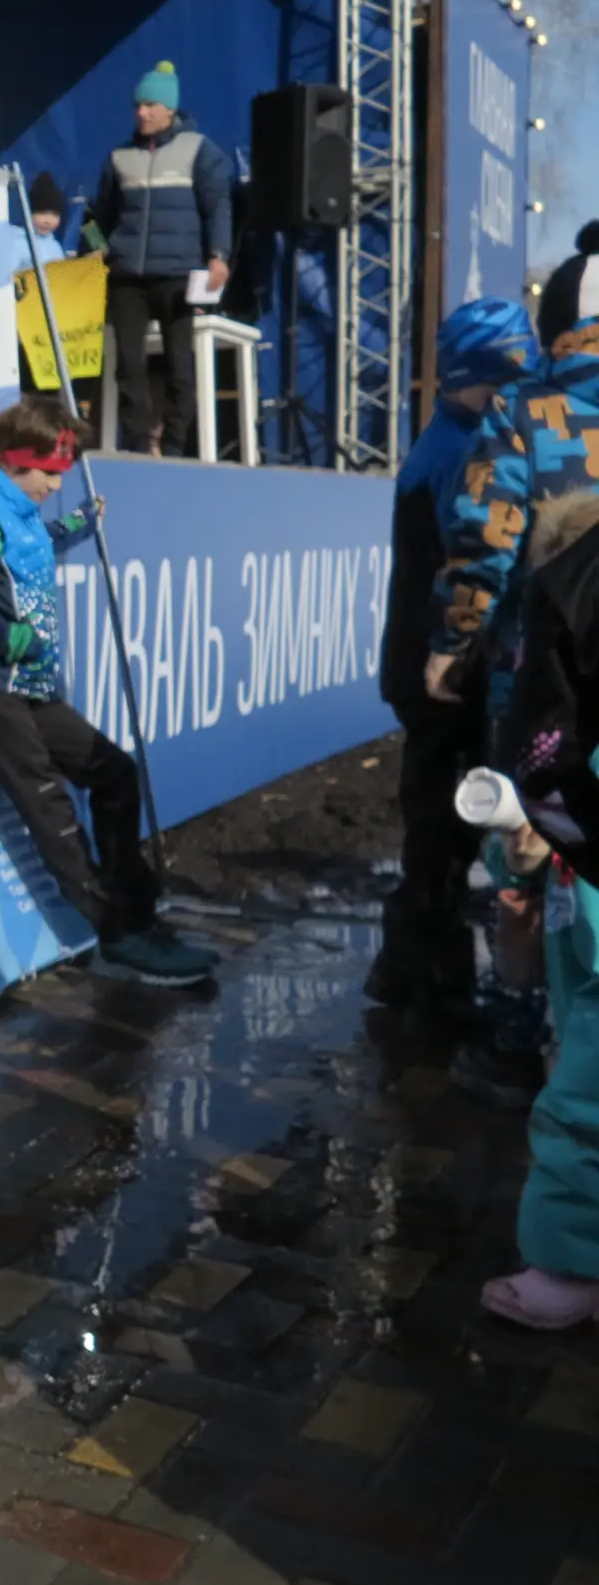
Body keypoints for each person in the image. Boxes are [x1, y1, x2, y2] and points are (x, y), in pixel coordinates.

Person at [0, 395, 217, 987]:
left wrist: (75, 526)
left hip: (23, 681)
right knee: (47, 800)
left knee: (115, 772)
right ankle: (117, 934)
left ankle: (137, 908)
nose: (54, 486)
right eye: (49, 474)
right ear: (18, 460)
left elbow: (25, 549)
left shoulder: (16, 509)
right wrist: (11, 638)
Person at [429, 230, 599, 1102]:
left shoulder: (524, 411)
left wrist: (451, 644)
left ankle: (517, 1036)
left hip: (543, 682)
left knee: (525, 850)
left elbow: (485, 540)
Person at [367, 297, 539, 1015]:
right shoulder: (460, 451)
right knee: (440, 830)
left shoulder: (466, 434)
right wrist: (454, 652)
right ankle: (420, 983)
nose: (515, 394)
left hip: (445, 659)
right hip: (439, 668)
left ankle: (427, 970)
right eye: (504, 380)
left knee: (448, 828)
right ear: (471, 377)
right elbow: (472, 564)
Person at [483, 495, 599, 1326]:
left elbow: (547, 775)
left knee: (582, 1099)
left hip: (595, 948)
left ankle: (568, 1265)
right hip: (572, 924)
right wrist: (516, 855)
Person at [91, 61, 234, 458]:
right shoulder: (119, 157)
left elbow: (218, 207)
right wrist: (100, 248)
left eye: (150, 105)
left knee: (179, 365)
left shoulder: (198, 150)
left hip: (177, 274)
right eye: (138, 105)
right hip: (127, 276)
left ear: (169, 108)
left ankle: (173, 446)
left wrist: (219, 256)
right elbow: (97, 215)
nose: (142, 112)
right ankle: (138, 445)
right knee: (128, 364)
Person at [26, 171, 69, 267]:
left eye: (55, 215)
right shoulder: (17, 242)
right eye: (42, 213)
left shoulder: (55, 246)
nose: (48, 221)